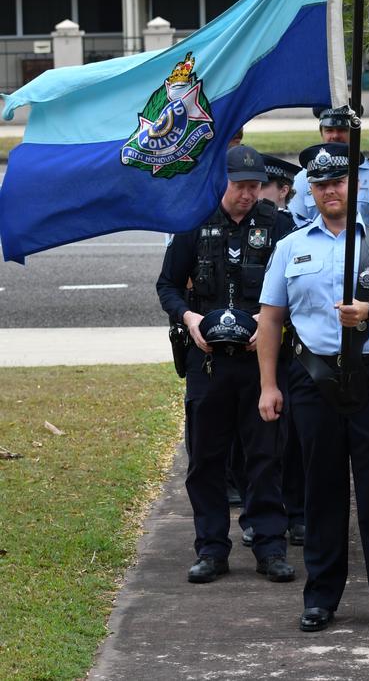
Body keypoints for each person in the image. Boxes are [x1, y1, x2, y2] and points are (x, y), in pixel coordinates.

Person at [257, 142, 369, 634]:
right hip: (314, 379)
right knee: (321, 489)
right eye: (321, 183)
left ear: (355, 186)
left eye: (338, 181)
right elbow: (271, 318)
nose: (330, 190)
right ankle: (321, 597)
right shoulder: (290, 246)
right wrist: (268, 385)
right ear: (310, 189)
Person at [156, 144, 296, 584]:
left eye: (255, 187)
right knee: (206, 459)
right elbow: (167, 286)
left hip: (262, 363)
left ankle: (271, 546)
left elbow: (300, 286)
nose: (248, 195)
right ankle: (211, 548)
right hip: (209, 363)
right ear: (223, 182)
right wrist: (189, 317)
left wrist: (271, 319)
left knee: (265, 457)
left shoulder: (280, 225)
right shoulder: (192, 222)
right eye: (240, 186)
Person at [239, 153, 306, 550]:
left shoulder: (287, 229)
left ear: (283, 190)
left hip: (283, 348)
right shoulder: (226, 226)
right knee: (252, 443)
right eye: (251, 186)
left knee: (291, 437)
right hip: (239, 348)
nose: (258, 194)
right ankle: (257, 513)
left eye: (263, 186)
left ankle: (297, 513)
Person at [288, 105, 369, 225]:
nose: (335, 135)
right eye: (329, 130)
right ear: (321, 133)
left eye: (342, 129)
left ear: (354, 132)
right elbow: (297, 225)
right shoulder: (303, 178)